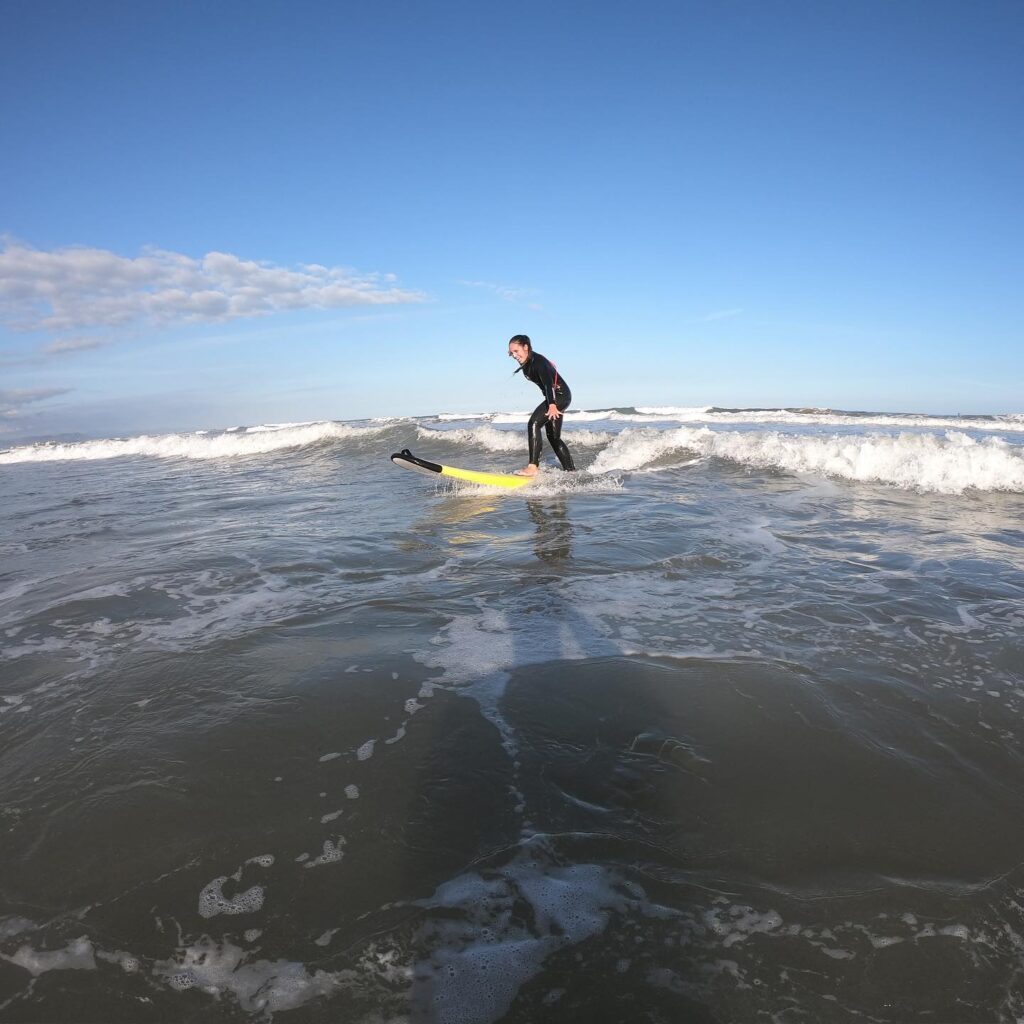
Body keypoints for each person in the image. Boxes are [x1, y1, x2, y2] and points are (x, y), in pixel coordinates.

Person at [507, 334, 576, 475]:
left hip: (559, 397)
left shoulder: (538, 362)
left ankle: (533, 467)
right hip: (558, 397)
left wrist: (551, 405)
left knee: (533, 423)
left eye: (516, 351)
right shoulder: (529, 362)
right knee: (553, 437)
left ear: (525, 347)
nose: (514, 355)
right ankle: (571, 472)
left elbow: (548, 385)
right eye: (511, 352)